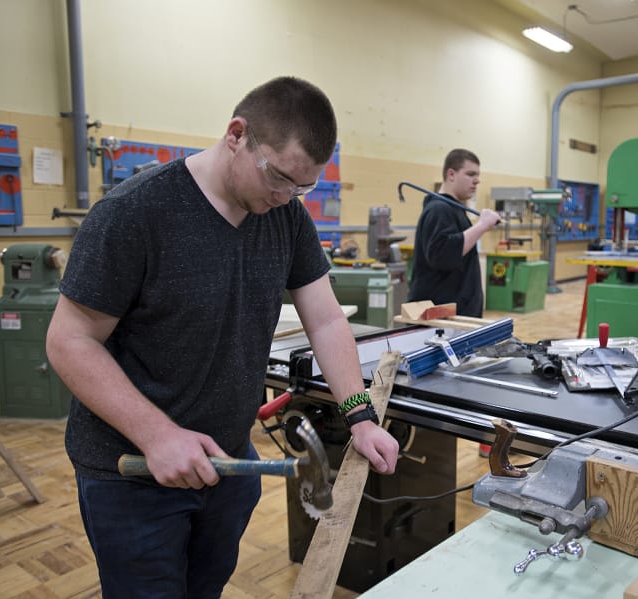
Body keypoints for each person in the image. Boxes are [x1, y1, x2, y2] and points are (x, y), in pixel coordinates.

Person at [46, 76, 399, 598]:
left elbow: (325, 319)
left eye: (301, 188)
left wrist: (361, 416)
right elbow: (69, 342)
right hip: (135, 473)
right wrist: (158, 435)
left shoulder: (285, 216)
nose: (285, 197)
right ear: (237, 135)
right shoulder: (135, 213)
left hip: (229, 465)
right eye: (278, 178)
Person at [407, 148, 501, 317]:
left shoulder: (453, 209)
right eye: (470, 174)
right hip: (440, 319)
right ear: (451, 174)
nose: (477, 181)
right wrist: (481, 226)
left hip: (456, 316)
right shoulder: (438, 209)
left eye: (478, 175)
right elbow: (442, 255)